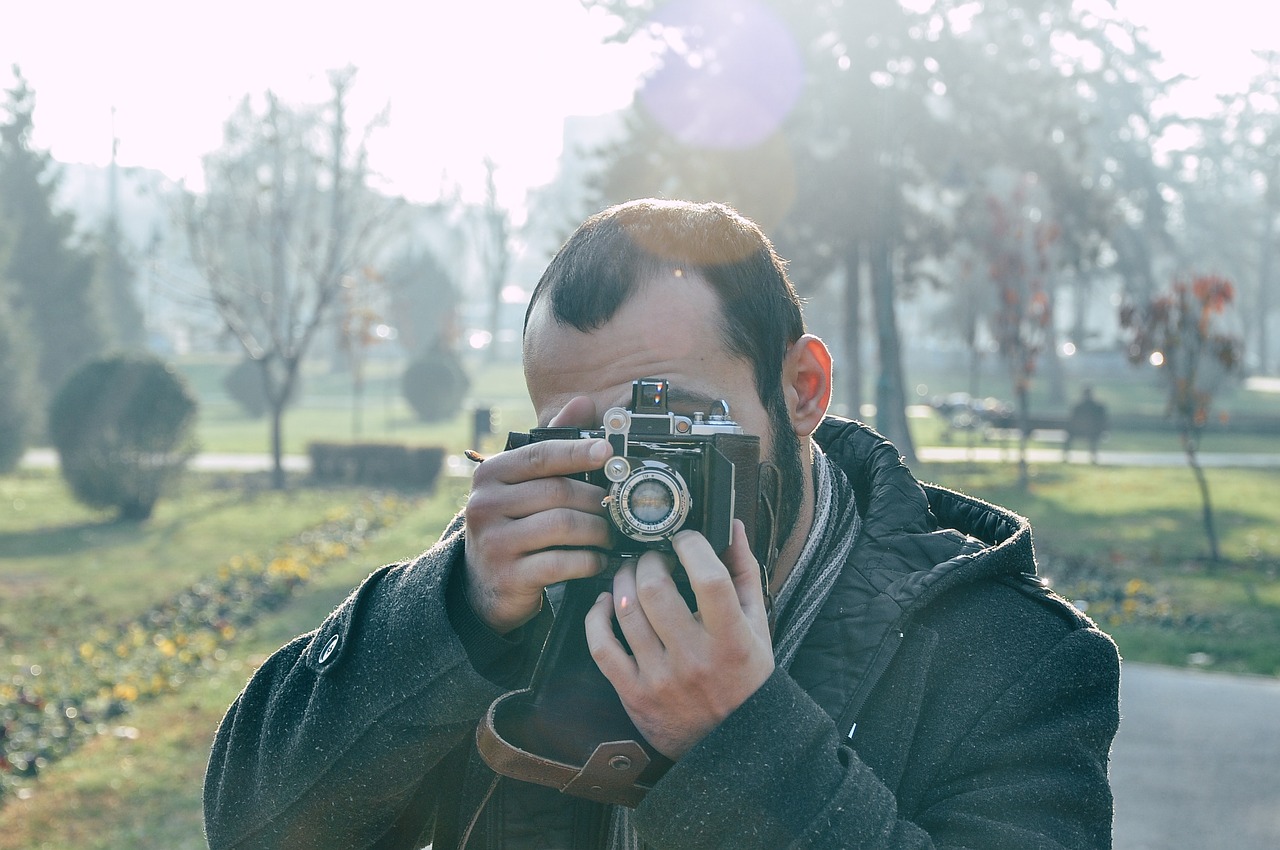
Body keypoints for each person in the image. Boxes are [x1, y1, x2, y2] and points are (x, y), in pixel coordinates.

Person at [203, 199, 1120, 849]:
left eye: (674, 425)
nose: (634, 478)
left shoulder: (1012, 660)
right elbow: (250, 824)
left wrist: (739, 736)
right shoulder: (515, 586)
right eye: (588, 439)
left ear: (801, 389)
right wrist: (455, 612)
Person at [1065, 386, 1109, 464]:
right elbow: (1104, 420)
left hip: (1077, 432)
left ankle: (1066, 456)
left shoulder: (1077, 406)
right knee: (1093, 437)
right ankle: (1093, 457)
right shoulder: (1098, 407)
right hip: (1094, 433)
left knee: (1068, 435)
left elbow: (1071, 420)